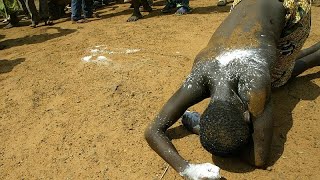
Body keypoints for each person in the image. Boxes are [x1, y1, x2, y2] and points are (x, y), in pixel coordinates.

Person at [144, 0, 319, 179]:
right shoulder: (200, 74)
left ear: (245, 115)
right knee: (275, 62)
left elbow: (259, 159)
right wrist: (188, 170)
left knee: (278, 79)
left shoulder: (254, 83)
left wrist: (200, 129)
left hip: (290, 5)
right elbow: (152, 131)